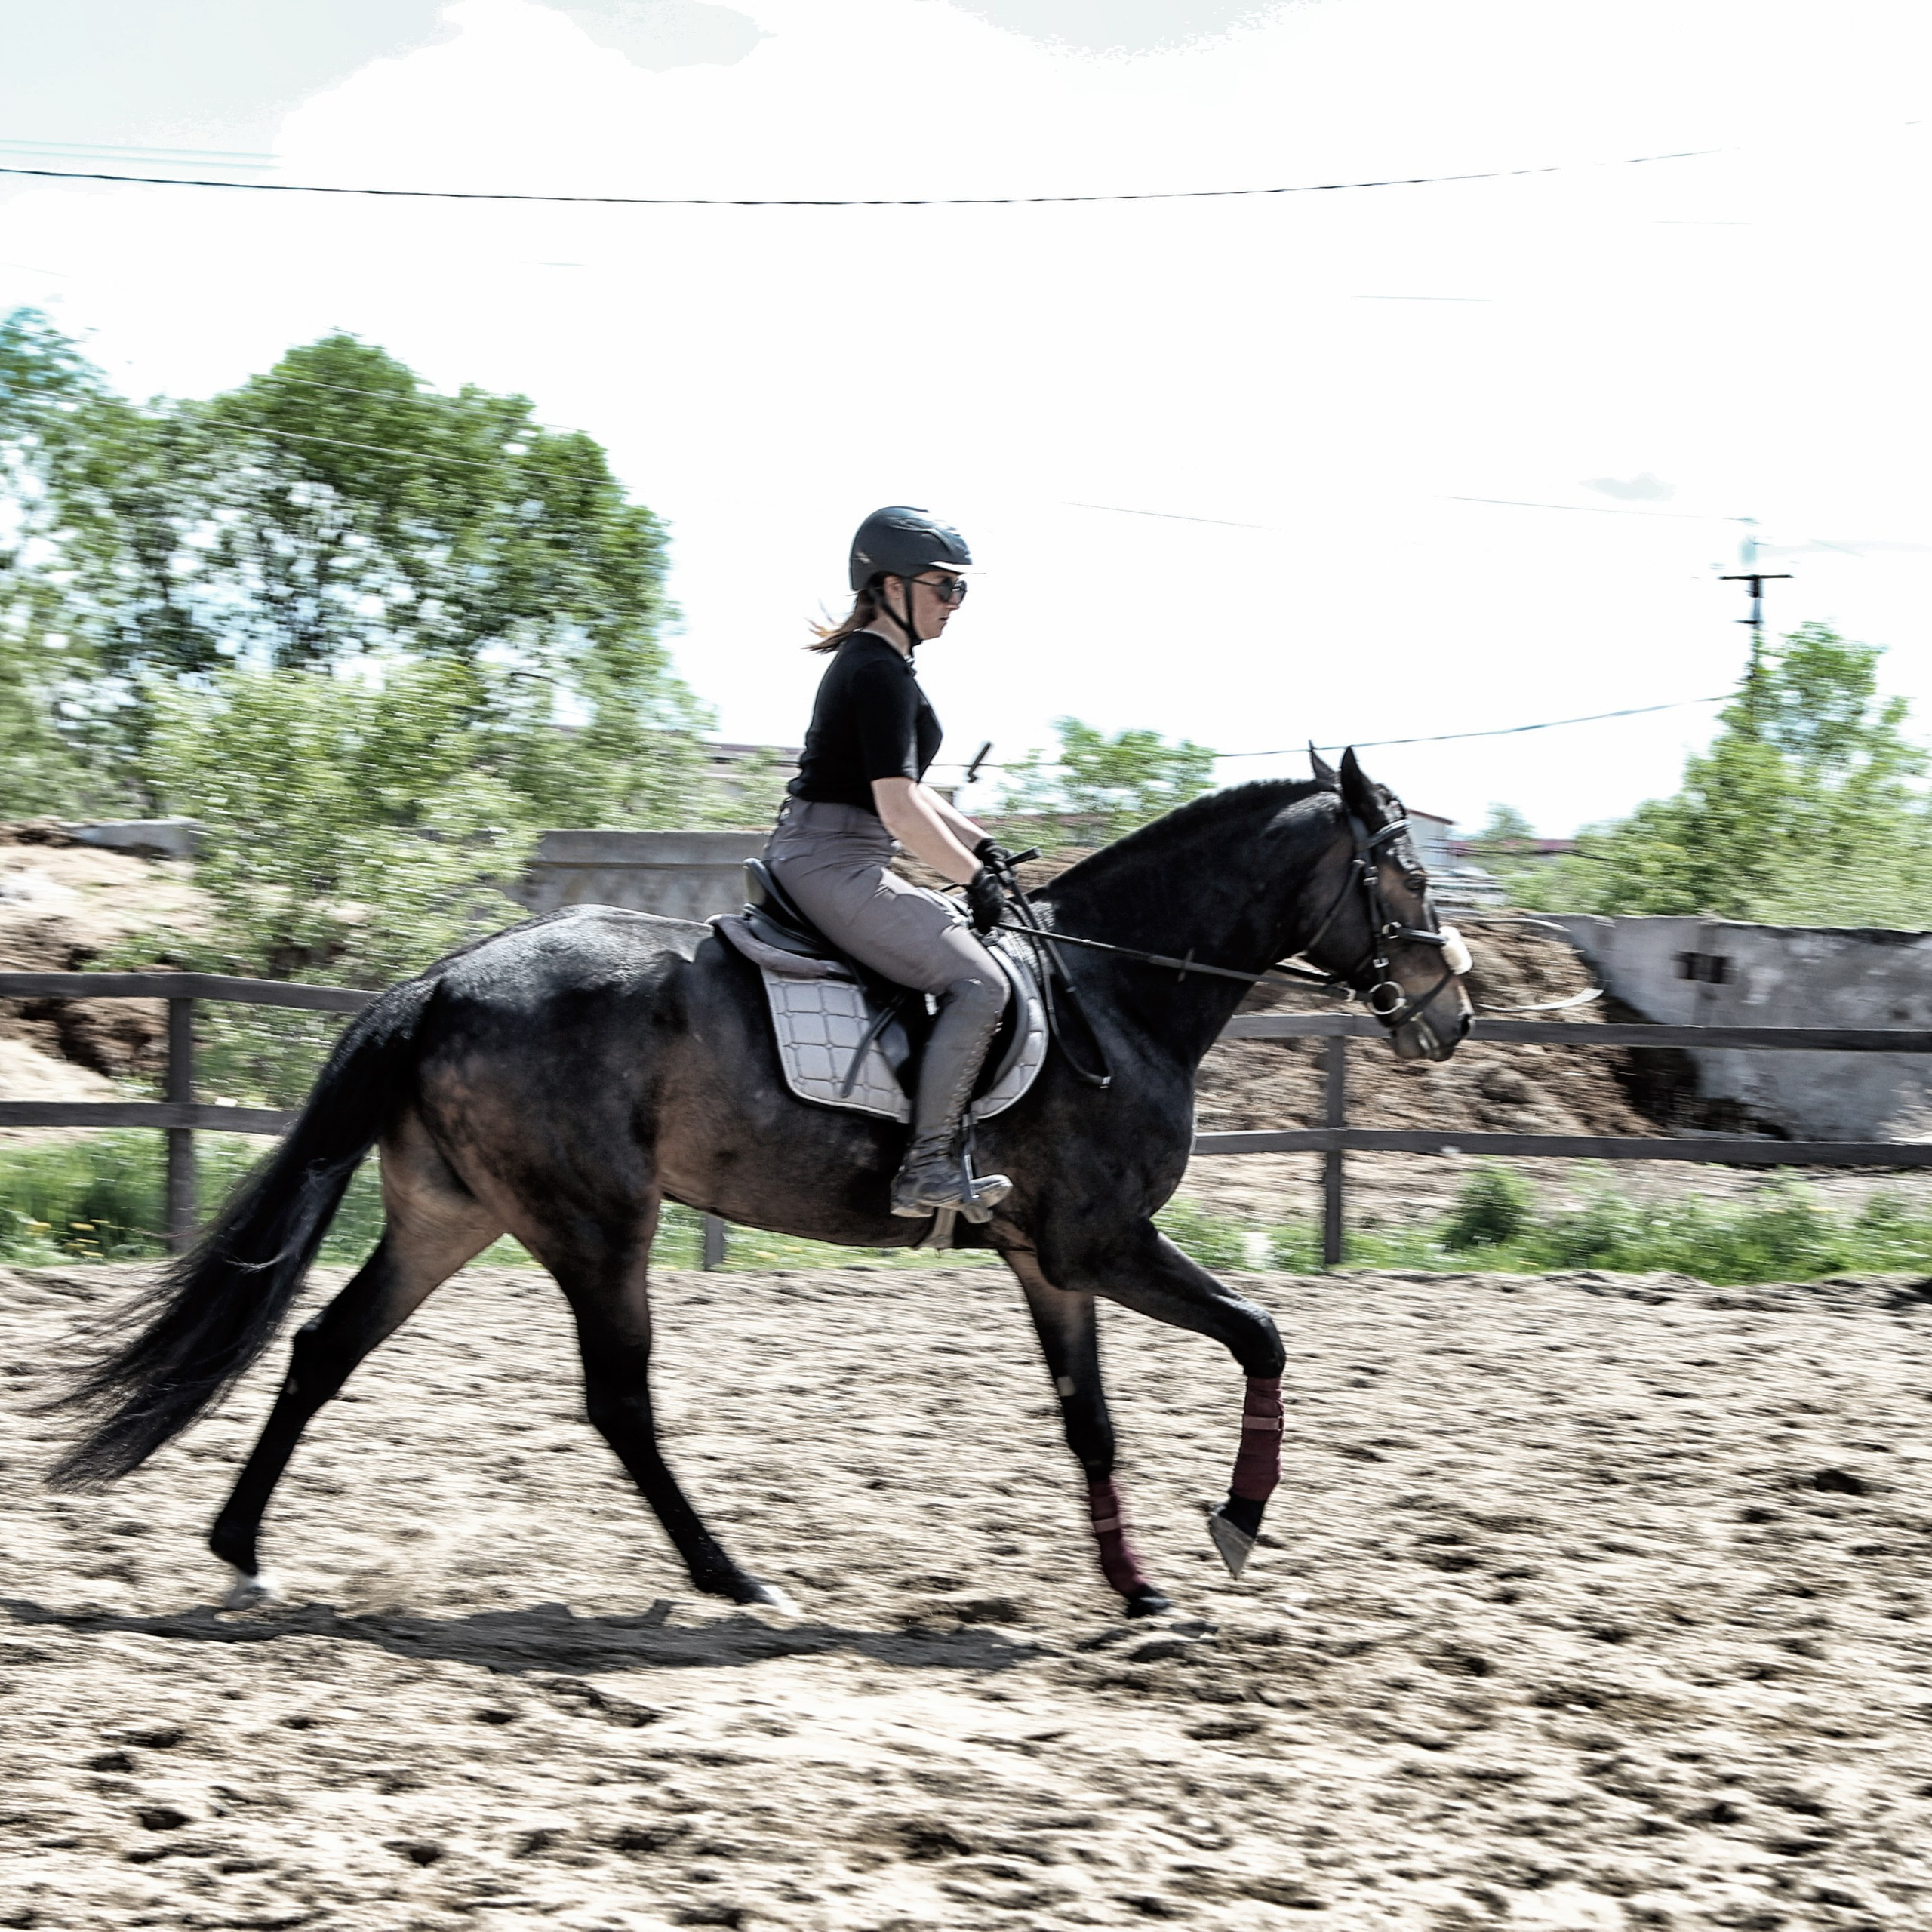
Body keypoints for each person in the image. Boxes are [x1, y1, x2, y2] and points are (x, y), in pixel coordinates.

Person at [764, 506, 1015, 1218]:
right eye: (944, 587)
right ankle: (927, 1165)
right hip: (831, 860)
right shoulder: (878, 673)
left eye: (960, 590)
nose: (954, 604)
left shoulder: (884, 667)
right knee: (978, 985)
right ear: (891, 586)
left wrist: (981, 848)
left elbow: (911, 794)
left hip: (844, 852)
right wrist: (970, 879)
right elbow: (898, 808)